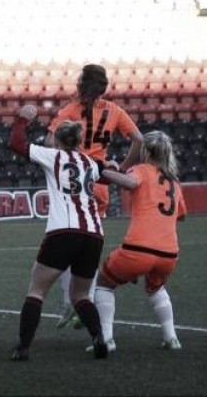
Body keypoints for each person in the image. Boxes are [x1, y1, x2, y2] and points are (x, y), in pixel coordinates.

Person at [46, 64, 144, 328]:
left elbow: (48, 143)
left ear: (80, 84)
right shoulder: (114, 111)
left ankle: (72, 302)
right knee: (88, 245)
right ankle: (84, 300)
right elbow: (139, 139)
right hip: (99, 182)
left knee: (67, 243)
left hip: (73, 182)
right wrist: (121, 168)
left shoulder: (70, 111)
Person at [8, 104, 108, 361]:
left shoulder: (52, 156)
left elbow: (17, 144)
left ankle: (23, 347)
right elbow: (108, 173)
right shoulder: (90, 163)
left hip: (62, 231)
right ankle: (99, 337)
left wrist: (22, 120)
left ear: (58, 140)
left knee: (37, 290)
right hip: (93, 233)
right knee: (82, 295)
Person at [93, 131, 187, 352]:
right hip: (169, 252)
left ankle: (106, 338)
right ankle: (171, 337)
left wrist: (103, 171)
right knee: (156, 288)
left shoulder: (142, 170)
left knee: (104, 284)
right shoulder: (174, 182)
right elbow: (181, 215)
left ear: (144, 151)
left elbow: (130, 182)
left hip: (138, 248)